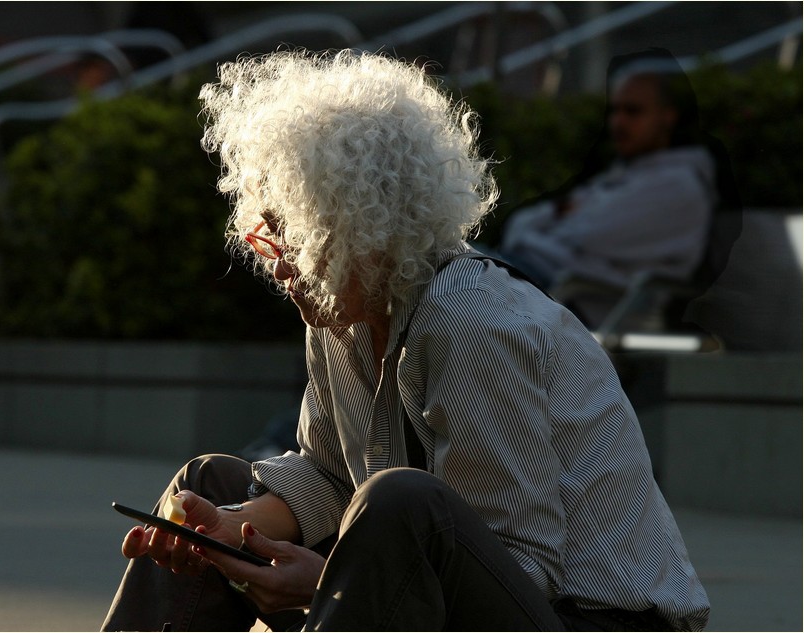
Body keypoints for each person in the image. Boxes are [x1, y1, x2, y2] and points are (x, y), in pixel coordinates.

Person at [101, 50, 709, 632]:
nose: (279, 263)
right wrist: (228, 531)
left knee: (403, 500)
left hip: (591, 619)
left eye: (294, 233)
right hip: (469, 593)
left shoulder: (471, 321)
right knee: (211, 486)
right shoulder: (343, 312)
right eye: (266, 233)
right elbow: (328, 477)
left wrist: (325, 584)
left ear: (366, 224)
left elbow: (519, 562)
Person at [497, 49, 727, 328]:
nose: (619, 122)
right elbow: (523, 223)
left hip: (573, 306)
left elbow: (584, 235)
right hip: (533, 282)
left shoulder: (678, 187)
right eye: (615, 110)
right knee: (459, 266)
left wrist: (548, 227)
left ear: (667, 117)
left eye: (633, 111)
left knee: (459, 276)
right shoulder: (624, 176)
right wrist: (557, 222)